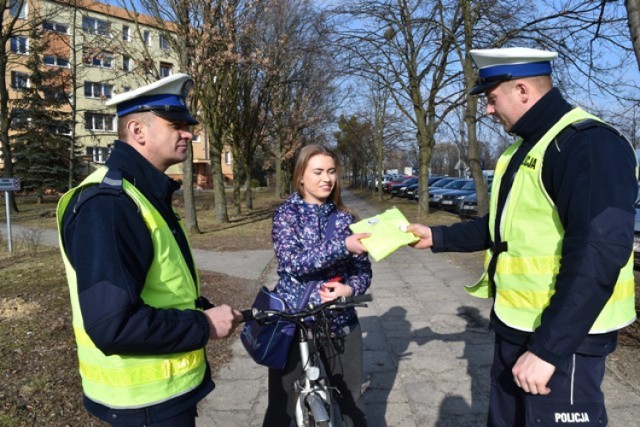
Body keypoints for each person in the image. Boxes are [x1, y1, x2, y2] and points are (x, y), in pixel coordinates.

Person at [407, 47, 637, 426]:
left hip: (566, 341)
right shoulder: (524, 149)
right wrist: (436, 237)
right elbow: (502, 227)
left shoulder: (588, 144)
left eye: (493, 99)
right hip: (517, 327)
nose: (488, 110)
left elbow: (599, 252)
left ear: (523, 91)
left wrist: (548, 351)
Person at [56, 73, 243, 426]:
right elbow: (113, 325)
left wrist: (202, 308)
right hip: (143, 407)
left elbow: (157, 285)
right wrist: (203, 325)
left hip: (161, 400)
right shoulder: (110, 205)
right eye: (176, 124)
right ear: (138, 132)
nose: (189, 133)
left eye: (188, 125)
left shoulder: (141, 193)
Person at [263, 144, 372, 426]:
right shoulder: (287, 215)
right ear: (300, 176)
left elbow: (362, 269)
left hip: (340, 322)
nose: (327, 178)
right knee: (281, 407)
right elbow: (293, 263)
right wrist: (343, 246)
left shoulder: (346, 218)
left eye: (332, 171)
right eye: (318, 171)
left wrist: (350, 289)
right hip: (295, 324)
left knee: (352, 405)